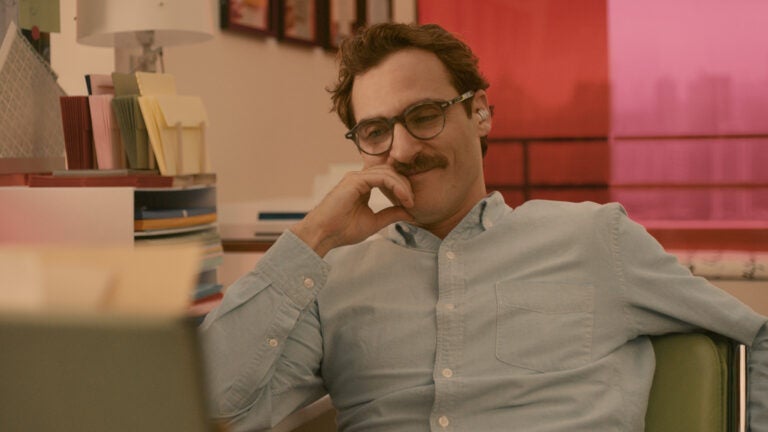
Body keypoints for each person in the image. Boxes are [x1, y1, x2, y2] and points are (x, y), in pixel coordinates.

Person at [201, 23, 768, 431]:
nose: (402, 149)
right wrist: (314, 237)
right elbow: (213, 409)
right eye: (375, 131)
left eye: (424, 116)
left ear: (480, 114)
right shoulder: (331, 278)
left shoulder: (596, 239)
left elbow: (758, 337)